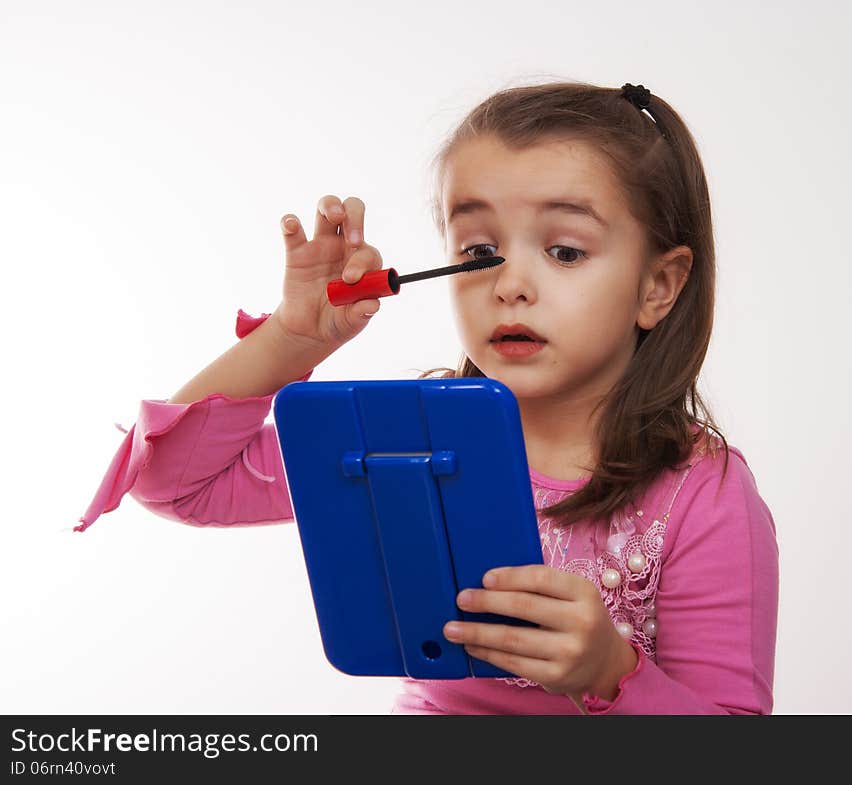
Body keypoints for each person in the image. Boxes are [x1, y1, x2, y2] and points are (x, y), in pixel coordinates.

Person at [76, 80, 779, 715]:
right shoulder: (403, 438)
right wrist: (293, 340)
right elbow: (173, 484)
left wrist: (611, 673)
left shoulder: (702, 493)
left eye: (564, 251)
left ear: (658, 286)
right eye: (478, 253)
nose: (509, 284)